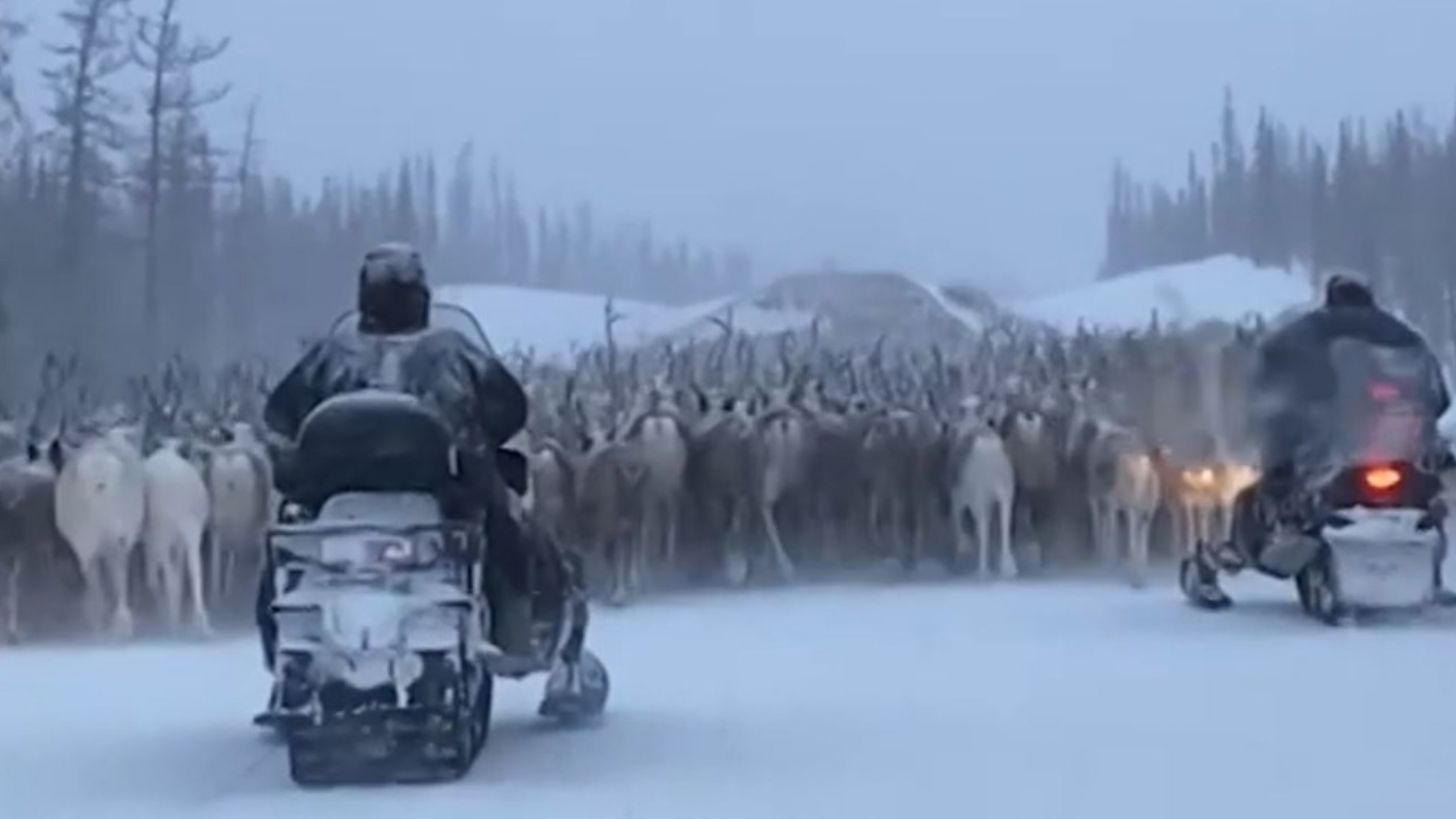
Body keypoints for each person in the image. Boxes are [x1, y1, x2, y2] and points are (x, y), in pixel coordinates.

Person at [255, 242, 537, 669]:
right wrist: (479, 439)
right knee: (503, 531)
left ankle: (276, 639)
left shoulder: (331, 355)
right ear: (420, 295)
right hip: (442, 496)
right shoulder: (453, 351)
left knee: (287, 547)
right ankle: (511, 631)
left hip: (337, 505)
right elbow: (510, 407)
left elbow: (280, 413)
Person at [1188, 274, 1452, 605]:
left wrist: (1270, 415)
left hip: (1336, 455)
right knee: (1428, 498)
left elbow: (1273, 379)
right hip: (1399, 457)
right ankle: (1430, 576)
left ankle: (1236, 553)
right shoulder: (1403, 336)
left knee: (1273, 493)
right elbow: (1439, 398)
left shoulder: (1306, 332)